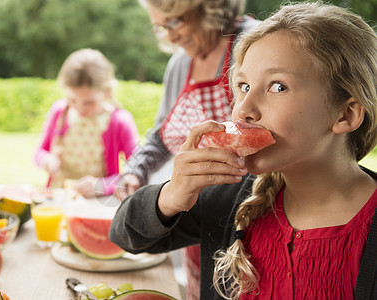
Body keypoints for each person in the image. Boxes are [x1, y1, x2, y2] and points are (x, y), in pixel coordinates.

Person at [109, 2, 377, 299]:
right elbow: (124, 234)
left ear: (346, 114)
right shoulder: (230, 197)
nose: (242, 111)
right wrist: (171, 195)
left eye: (277, 87)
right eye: (244, 86)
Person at [114, 1, 259, 298]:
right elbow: (163, 132)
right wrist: (135, 169)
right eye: (160, 26)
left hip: (251, 208)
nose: (170, 36)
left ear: (210, 9)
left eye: (175, 22)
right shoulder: (180, 64)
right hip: (197, 211)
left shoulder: (254, 42)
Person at [34, 49, 139, 198]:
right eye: (72, 99)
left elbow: (137, 170)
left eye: (88, 103)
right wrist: (46, 160)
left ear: (108, 92)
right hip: (59, 197)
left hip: (98, 203)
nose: (80, 108)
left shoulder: (119, 121)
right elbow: (39, 152)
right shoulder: (59, 112)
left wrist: (103, 185)